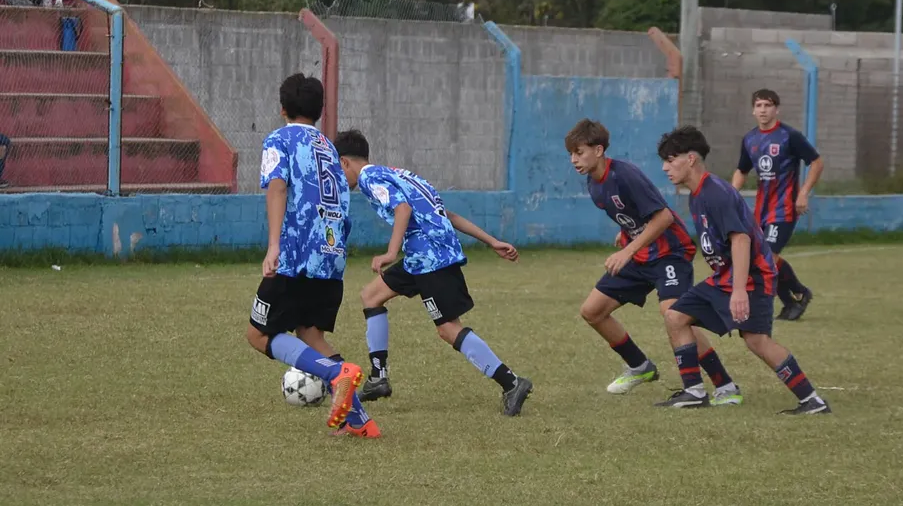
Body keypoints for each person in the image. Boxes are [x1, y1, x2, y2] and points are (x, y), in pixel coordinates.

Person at [333, 129, 533, 417]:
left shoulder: (368, 178)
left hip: (431, 258)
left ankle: (512, 383)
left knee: (447, 328)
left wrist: (390, 253)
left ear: (344, 162)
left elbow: (402, 209)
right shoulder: (403, 175)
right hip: (421, 256)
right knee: (371, 295)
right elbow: (446, 215)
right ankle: (379, 378)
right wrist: (491, 241)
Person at [565, 119, 743, 405]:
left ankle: (723, 386)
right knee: (592, 311)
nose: (574, 159)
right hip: (641, 254)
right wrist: (625, 235)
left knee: (674, 314)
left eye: (579, 152)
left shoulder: (625, 175)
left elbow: (663, 217)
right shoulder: (593, 183)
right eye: (571, 154)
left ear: (598, 150)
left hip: (669, 252)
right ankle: (639, 366)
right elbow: (634, 214)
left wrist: (627, 251)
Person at [656, 126, 830, 414]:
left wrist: (739, 291)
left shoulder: (716, 193)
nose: (665, 167)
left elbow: (741, 239)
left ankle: (811, 400)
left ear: (690, 159)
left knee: (757, 340)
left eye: (670, 160)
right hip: (725, 278)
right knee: (675, 316)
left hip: (752, 279)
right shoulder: (697, 194)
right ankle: (694, 391)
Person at [246, 74, 379, 439]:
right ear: (320, 112)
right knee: (309, 333)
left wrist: (274, 246)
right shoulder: (332, 151)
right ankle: (360, 422)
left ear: (282, 109)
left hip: (295, 256)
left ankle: (337, 375)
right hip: (331, 259)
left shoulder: (279, 139)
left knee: (258, 335)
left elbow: (277, 187)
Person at [732, 89, 824, 321]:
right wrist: (730, 194)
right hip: (761, 211)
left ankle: (798, 294)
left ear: (777, 109)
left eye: (768, 105)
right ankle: (793, 299)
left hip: (783, 209)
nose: (763, 110)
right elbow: (742, 170)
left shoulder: (789, 136)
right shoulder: (750, 139)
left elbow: (816, 162)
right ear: (753, 110)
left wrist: (803, 193)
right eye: (759, 105)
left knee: (767, 257)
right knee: (760, 258)